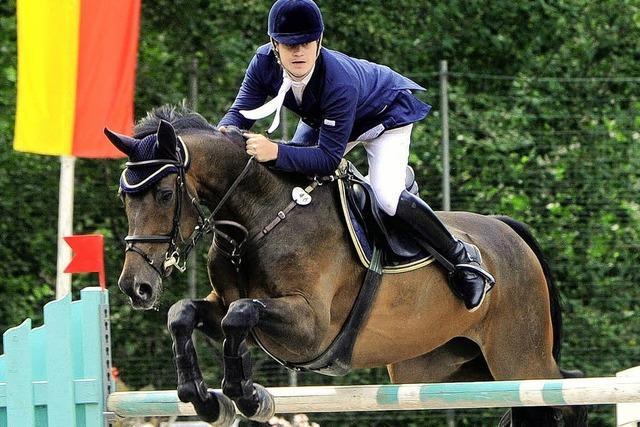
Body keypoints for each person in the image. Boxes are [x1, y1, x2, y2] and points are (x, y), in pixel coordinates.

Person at [218, 0, 494, 311]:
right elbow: (236, 118)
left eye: (306, 43)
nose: (298, 52)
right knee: (288, 174)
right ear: (274, 44)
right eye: (289, 44)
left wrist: (275, 150)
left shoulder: (338, 81)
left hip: (384, 116)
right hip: (330, 121)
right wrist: (221, 142)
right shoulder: (262, 63)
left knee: (386, 198)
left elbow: (326, 160)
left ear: (319, 42)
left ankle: (461, 257)